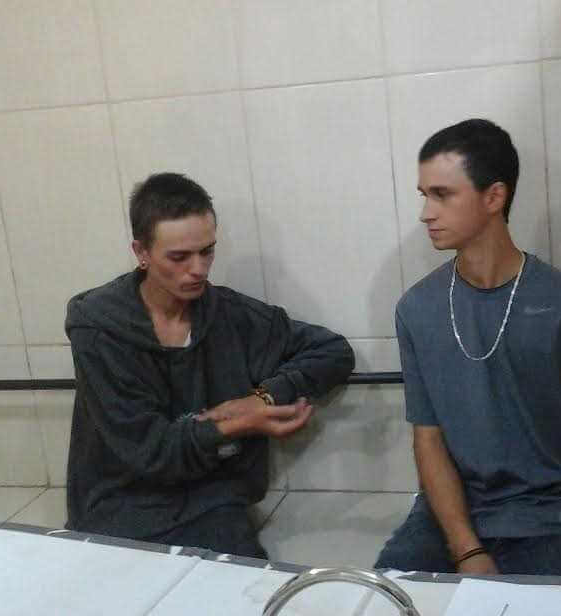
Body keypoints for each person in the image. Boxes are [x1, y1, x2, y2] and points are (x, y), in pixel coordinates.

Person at [374, 119, 561, 576]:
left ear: (494, 197)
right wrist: (467, 549)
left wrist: (527, 448)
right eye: (424, 195)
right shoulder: (418, 309)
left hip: (547, 513)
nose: (425, 213)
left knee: (537, 605)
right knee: (388, 597)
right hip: (447, 508)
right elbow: (428, 437)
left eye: (442, 195)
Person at [65, 172, 354, 558]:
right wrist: (239, 422)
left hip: (211, 501)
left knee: (247, 585)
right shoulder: (99, 329)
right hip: (119, 504)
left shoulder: (230, 315)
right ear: (141, 252)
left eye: (207, 251)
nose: (199, 269)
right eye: (179, 257)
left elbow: (334, 352)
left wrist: (264, 398)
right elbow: (151, 450)